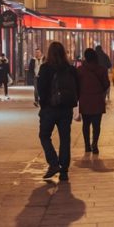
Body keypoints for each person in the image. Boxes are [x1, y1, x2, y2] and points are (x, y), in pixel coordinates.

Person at [36, 42, 79, 181]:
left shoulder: (45, 68)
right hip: (66, 109)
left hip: (49, 108)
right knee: (65, 139)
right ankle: (64, 171)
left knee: (44, 136)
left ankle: (54, 163)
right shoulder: (70, 69)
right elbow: (78, 87)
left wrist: (43, 105)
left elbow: (41, 89)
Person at [78, 48, 110, 154]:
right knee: (96, 125)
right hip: (97, 100)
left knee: (85, 124)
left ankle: (87, 146)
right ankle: (95, 144)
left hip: (85, 100)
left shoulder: (80, 70)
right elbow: (106, 84)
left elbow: (76, 85)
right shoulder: (101, 69)